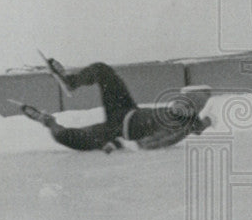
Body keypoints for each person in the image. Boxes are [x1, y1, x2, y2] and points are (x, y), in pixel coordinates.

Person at [18, 59, 212, 152]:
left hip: (119, 130)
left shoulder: (180, 126)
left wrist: (121, 143)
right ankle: (71, 81)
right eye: (181, 100)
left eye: (184, 104)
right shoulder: (177, 114)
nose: (177, 104)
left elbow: (157, 142)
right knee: (103, 70)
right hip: (126, 109)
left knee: (69, 137)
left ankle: (47, 121)